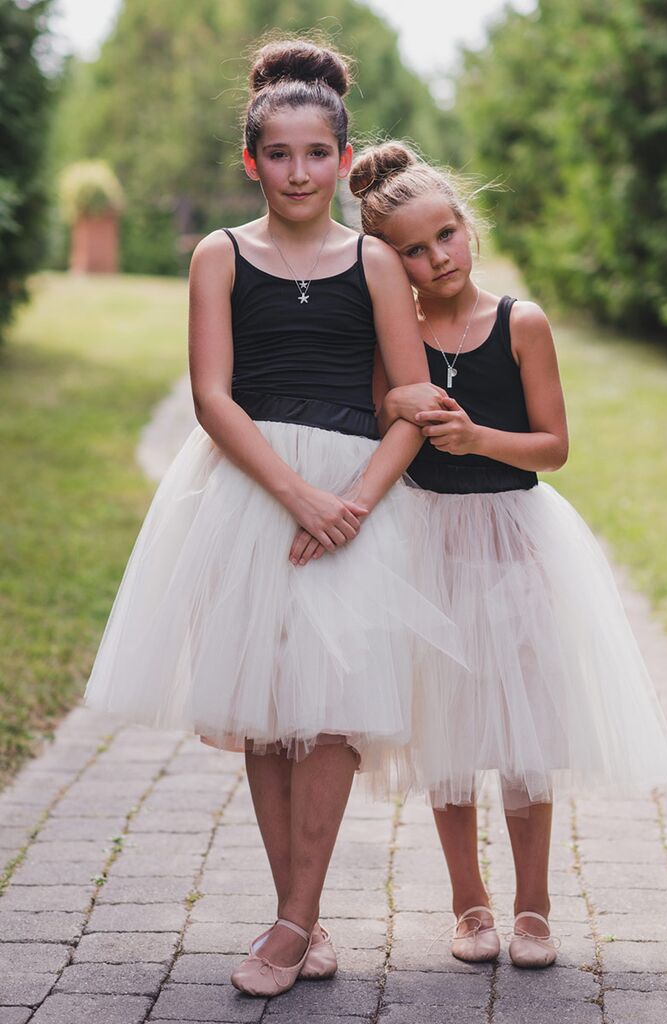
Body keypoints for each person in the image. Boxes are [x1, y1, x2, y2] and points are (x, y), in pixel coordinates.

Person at [84, 44, 462, 998]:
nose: (299, 172)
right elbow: (212, 397)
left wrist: (354, 506)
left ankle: (293, 921)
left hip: (354, 498)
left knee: (330, 713)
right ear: (251, 161)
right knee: (267, 712)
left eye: (317, 154)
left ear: (342, 158)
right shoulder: (221, 255)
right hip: (253, 493)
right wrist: (295, 498)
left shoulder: (375, 262)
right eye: (280, 155)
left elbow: (412, 399)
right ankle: (302, 914)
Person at [345, 142, 667, 969]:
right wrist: (394, 393)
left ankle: (533, 908)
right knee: (448, 732)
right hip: (425, 543)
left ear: (469, 226)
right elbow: (373, 414)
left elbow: (554, 448)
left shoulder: (520, 324)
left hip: (513, 539)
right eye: (415, 252)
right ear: (394, 267)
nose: (438, 258)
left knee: (524, 733)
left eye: (447, 234)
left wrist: (474, 437)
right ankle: (471, 907)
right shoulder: (397, 334)